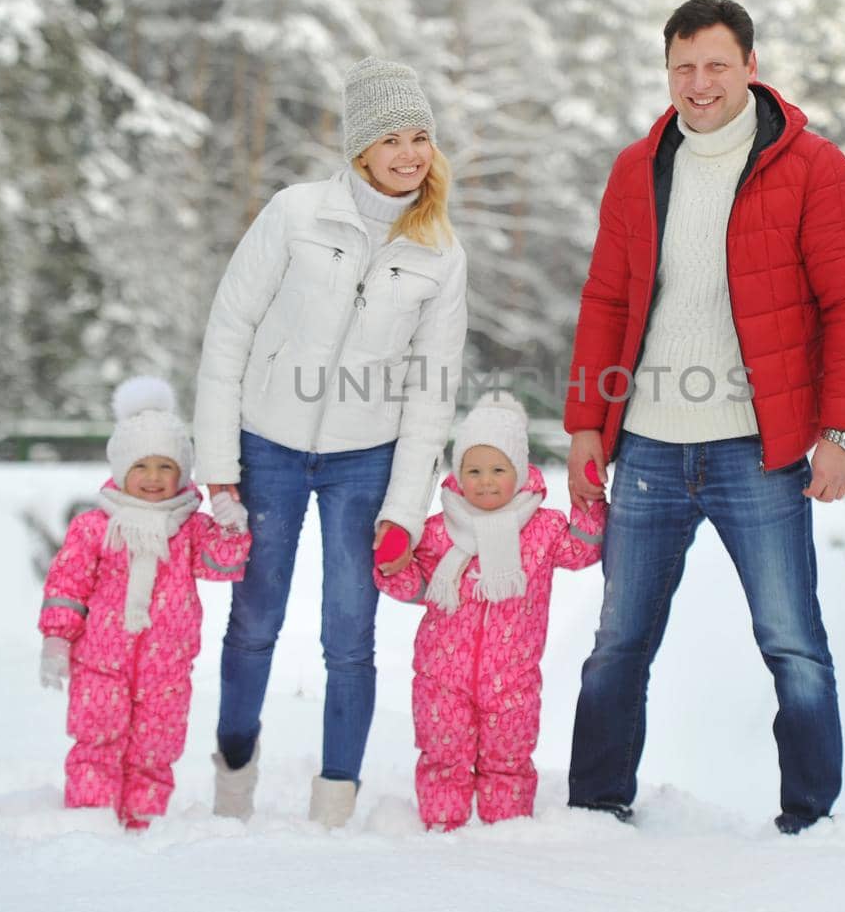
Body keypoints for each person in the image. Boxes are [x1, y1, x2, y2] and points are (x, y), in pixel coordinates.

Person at [563, 0, 845, 834]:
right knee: (617, 641)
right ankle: (594, 809)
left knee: (792, 643)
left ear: (749, 65)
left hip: (758, 448)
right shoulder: (638, 167)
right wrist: (586, 426)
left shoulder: (814, 168)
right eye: (682, 67)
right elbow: (605, 297)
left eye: (714, 65)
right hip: (651, 447)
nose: (698, 83)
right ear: (666, 70)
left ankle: (811, 823)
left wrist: (842, 432)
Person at [195, 57, 468, 827]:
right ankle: (233, 781)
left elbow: (432, 391)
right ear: (359, 147)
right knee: (254, 619)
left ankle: (335, 804)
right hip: (269, 445)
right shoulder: (294, 213)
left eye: (420, 137)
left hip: (366, 460)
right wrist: (219, 467)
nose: (410, 153)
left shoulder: (441, 252)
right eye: (391, 137)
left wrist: (405, 510)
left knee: (350, 631)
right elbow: (229, 334)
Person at [375, 392, 606, 830]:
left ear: (518, 472)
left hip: (514, 678)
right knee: (444, 753)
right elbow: (415, 586)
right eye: (473, 470)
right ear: (459, 474)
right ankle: (442, 829)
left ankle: (507, 830)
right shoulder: (436, 532)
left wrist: (590, 506)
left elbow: (582, 550)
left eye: (498, 470)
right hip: (441, 677)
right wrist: (393, 562)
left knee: (509, 756)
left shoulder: (543, 529)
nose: (484, 481)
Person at [38, 376, 251, 830]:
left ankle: (141, 825)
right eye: (142, 466)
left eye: (165, 467)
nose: (153, 478)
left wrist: (232, 523)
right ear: (120, 470)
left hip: (167, 669)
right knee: (96, 743)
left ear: (182, 474)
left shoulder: (190, 528)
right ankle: (90, 822)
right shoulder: (96, 527)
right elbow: (67, 584)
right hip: (100, 663)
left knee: (155, 750)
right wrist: (57, 640)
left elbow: (223, 563)